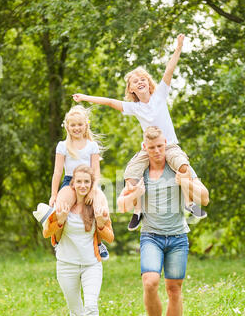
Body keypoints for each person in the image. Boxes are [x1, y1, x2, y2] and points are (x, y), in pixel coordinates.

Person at [72, 34, 207, 232]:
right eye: (135, 81)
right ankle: (138, 211)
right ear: (131, 89)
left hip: (169, 145)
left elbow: (169, 70)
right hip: (149, 148)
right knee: (130, 173)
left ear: (149, 83)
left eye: (142, 78)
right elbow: (110, 102)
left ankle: (188, 203)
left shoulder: (160, 95)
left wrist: (178, 48)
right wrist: (84, 97)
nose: (140, 82)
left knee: (183, 166)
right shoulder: (134, 107)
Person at [117, 127, 209, 316]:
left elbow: (204, 198)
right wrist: (136, 195)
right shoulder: (140, 173)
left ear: (165, 144)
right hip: (151, 236)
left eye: (160, 146)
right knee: (150, 282)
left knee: (174, 288)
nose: (156, 151)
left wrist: (184, 183)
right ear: (144, 148)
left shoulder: (178, 167)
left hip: (178, 237)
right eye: (151, 148)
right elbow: (121, 205)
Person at [36, 165, 114, 316]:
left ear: (91, 184)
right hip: (66, 265)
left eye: (86, 181)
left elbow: (110, 237)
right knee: (76, 312)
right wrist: (60, 220)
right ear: (73, 184)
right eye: (79, 181)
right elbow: (48, 233)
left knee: (91, 306)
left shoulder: (96, 206)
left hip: (91, 265)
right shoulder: (64, 206)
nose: (82, 185)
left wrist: (101, 224)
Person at [50, 104, 110, 260]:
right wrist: (53, 194)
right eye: (73, 125)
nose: (76, 128)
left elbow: (96, 171)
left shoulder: (92, 146)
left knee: (100, 206)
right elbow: (57, 172)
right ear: (68, 127)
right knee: (61, 207)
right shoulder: (63, 146)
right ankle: (58, 241)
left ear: (86, 125)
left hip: (89, 182)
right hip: (70, 181)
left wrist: (93, 190)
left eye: (80, 124)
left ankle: (99, 242)